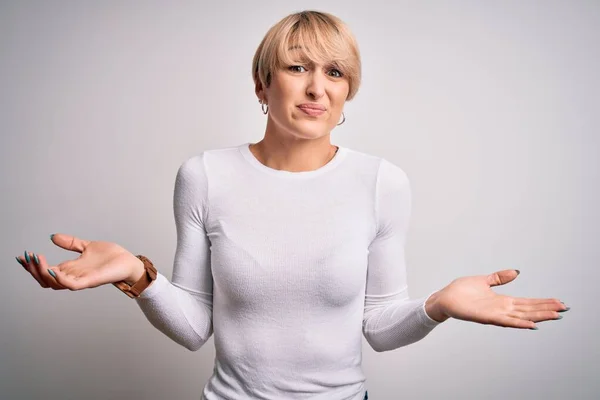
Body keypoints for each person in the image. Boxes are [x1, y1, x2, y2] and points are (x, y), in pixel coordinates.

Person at [16, 10, 568, 400]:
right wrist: (138, 274)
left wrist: (439, 305)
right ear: (262, 83)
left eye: (334, 72)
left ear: (347, 91)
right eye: (298, 67)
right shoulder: (204, 175)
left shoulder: (382, 182)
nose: (317, 89)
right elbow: (192, 328)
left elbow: (379, 326)